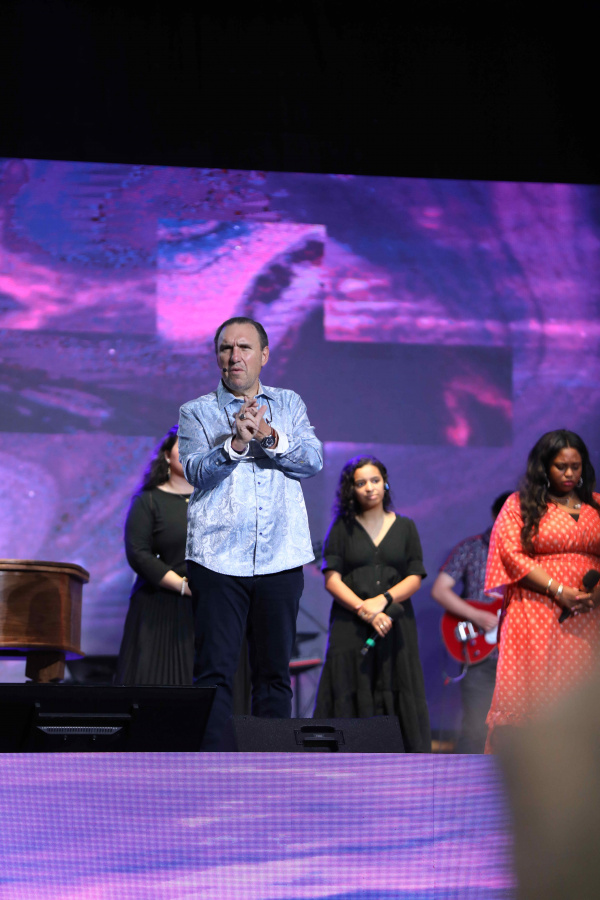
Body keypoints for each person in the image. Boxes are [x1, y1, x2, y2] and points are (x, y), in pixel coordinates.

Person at [178, 316, 323, 749]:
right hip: (217, 558)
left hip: (280, 557)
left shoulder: (289, 404)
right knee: (214, 672)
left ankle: (271, 767)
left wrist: (269, 435)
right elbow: (194, 471)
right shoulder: (196, 411)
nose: (234, 356)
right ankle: (211, 766)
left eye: (244, 347)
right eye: (226, 348)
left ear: (264, 355)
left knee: (274, 673)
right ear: (217, 357)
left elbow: (312, 462)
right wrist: (236, 445)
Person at [485, 429, 600, 752]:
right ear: (544, 466)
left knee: (579, 695)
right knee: (533, 693)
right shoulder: (520, 504)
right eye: (561, 466)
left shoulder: (596, 504)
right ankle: (527, 773)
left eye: (575, 466)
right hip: (535, 611)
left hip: (589, 615)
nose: (569, 473)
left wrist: (596, 595)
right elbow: (510, 553)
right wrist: (557, 589)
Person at [313, 455, 431, 752]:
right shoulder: (342, 528)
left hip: (394, 622)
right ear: (351, 489)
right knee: (349, 684)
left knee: (397, 682)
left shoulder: (405, 526)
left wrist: (382, 601)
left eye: (375, 480)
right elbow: (332, 579)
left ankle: (402, 765)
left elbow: (415, 576)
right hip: (350, 625)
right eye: (361, 483)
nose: (369, 488)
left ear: (385, 483)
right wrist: (364, 610)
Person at [431, 491, 512, 753]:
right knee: (477, 729)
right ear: (495, 515)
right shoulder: (472, 548)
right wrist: (477, 616)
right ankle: (464, 778)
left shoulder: (531, 554)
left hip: (519, 657)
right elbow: (440, 590)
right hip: (482, 655)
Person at [116, 426, 195, 684]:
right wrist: (182, 586)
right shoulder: (148, 500)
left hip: (210, 604)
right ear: (167, 455)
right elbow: (138, 553)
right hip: (160, 606)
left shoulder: (217, 500)